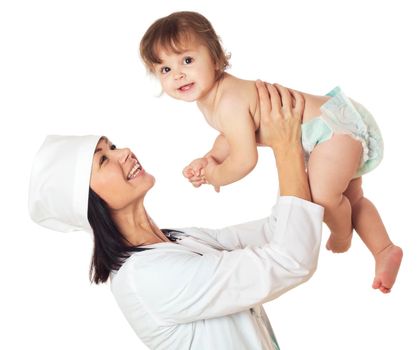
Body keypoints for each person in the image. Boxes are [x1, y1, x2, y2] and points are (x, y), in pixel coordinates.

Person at [28, 83, 324, 350]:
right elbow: (290, 260)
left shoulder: (176, 239)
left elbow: (277, 232)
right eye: (104, 160)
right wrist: (286, 147)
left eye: (113, 146)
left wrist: (317, 158)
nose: (125, 152)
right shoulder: (146, 277)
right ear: (87, 202)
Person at [139, 11, 403, 293]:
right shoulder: (213, 100)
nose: (178, 74)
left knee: (323, 198)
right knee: (352, 198)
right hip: (332, 123)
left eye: (187, 60)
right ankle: (384, 249)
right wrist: (211, 158)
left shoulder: (228, 101)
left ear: (215, 59)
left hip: (331, 132)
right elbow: (231, 136)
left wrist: (217, 175)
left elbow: (245, 159)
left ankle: (342, 235)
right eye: (165, 69)